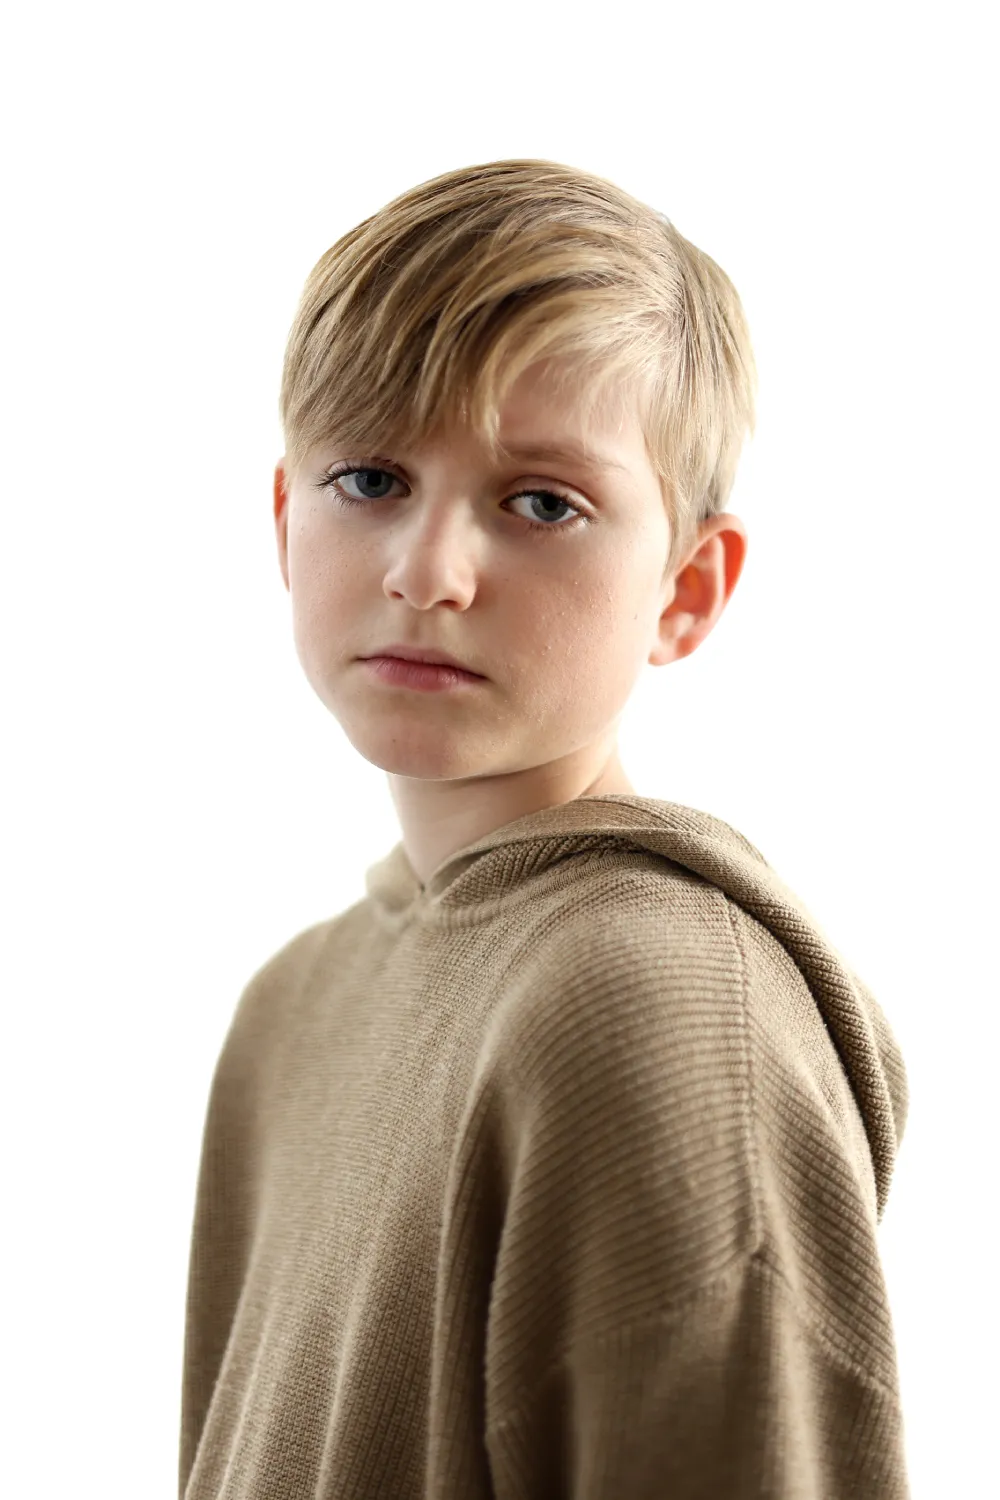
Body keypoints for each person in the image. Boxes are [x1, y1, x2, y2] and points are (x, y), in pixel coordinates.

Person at [179, 158, 911, 1499]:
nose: (426, 572)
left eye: (541, 504)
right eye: (370, 478)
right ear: (287, 520)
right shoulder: (292, 1007)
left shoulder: (665, 1008)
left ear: (687, 590)